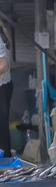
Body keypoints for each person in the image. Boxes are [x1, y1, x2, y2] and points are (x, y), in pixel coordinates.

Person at [0, 21, 13, 156]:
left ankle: (5, 161)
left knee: (1, 127)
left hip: (2, 87)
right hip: (5, 86)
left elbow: (4, 65)